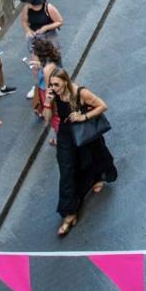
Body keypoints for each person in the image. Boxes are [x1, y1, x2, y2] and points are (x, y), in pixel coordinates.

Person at [44, 68, 117, 237]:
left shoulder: (80, 92)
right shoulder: (53, 95)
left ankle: (97, 177)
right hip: (65, 134)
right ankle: (69, 214)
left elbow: (102, 106)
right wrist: (48, 102)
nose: (54, 87)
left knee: (89, 159)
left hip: (82, 130)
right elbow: (47, 118)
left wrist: (83, 117)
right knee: (66, 170)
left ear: (65, 82)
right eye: (51, 85)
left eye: (57, 84)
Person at [20, 0, 64, 98]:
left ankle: (60, 83)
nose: (28, 3)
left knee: (55, 62)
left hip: (50, 37)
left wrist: (45, 27)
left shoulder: (48, 8)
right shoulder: (27, 8)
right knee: (35, 65)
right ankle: (38, 86)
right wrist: (29, 31)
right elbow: (24, 22)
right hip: (35, 38)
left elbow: (59, 21)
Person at [29, 36, 63, 145]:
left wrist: (47, 106)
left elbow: (50, 90)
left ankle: (61, 139)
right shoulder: (50, 61)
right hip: (48, 89)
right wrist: (39, 65)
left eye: (34, 53)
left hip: (47, 92)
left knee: (55, 117)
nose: (32, 55)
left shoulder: (47, 69)